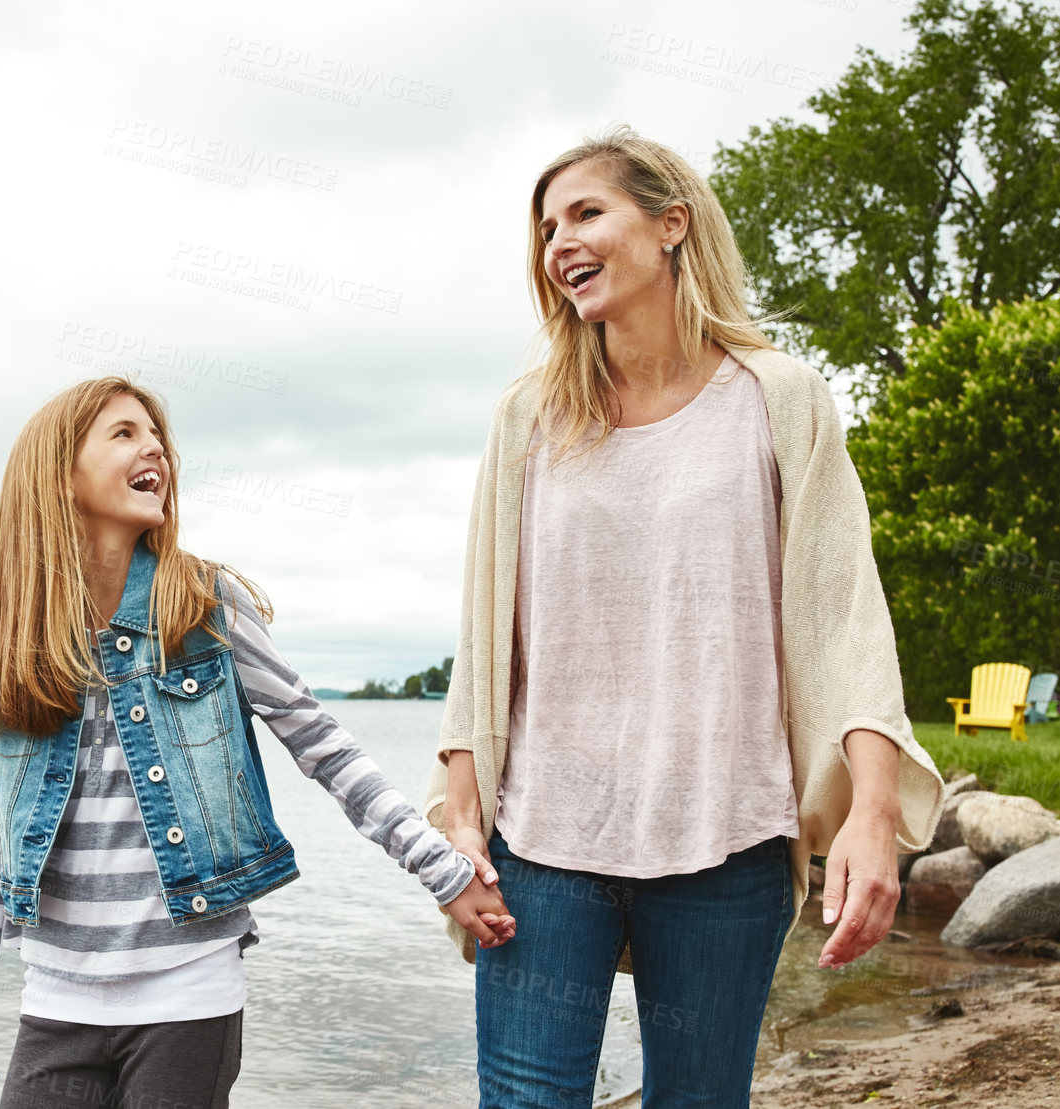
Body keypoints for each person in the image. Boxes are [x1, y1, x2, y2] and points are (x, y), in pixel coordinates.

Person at [423, 126, 945, 1107]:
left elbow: (845, 613)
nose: (558, 244)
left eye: (585, 212)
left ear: (671, 224)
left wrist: (872, 814)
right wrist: (461, 812)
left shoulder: (776, 397)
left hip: (725, 837)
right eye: (545, 228)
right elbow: (488, 633)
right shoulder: (528, 415)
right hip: (544, 840)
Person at [0, 376, 513, 1108]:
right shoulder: (10, 640)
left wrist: (440, 867)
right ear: (58, 472)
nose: (154, 448)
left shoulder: (202, 605)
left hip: (188, 996)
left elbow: (322, 746)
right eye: (122, 433)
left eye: (157, 437)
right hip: (55, 1004)